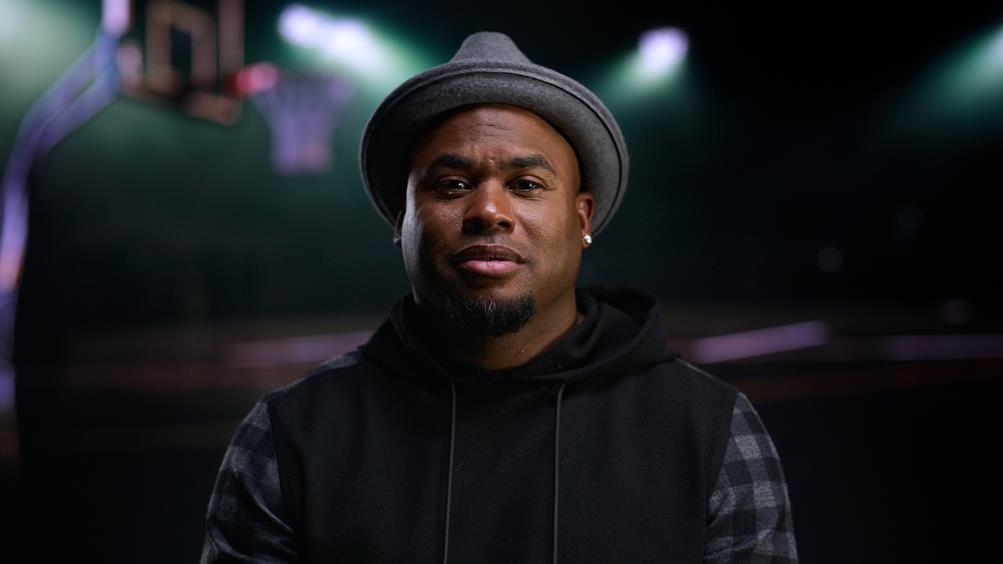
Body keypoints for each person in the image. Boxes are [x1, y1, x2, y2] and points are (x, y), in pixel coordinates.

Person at [201, 32, 797, 563]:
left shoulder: (709, 427)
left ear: (581, 219)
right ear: (402, 221)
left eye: (527, 184)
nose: (488, 210)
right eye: (453, 184)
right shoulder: (290, 435)